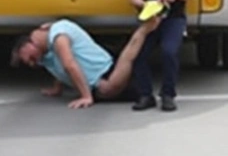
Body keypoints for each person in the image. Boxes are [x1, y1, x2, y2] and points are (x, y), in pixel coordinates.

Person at [11, 17, 159, 109]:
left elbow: (69, 64)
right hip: (95, 85)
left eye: (30, 58)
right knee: (108, 93)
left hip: (108, 71)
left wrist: (86, 97)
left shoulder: (59, 36)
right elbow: (56, 65)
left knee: (109, 88)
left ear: (30, 43)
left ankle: (144, 29)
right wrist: (57, 88)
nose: (33, 63)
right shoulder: (43, 52)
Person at [128, 0, 191, 112]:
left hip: (173, 19)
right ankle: (145, 94)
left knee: (169, 52)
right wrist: (145, 3)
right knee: (139, 54)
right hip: (149, 19)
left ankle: (168, 94)